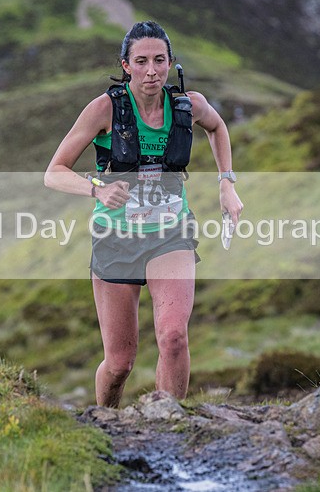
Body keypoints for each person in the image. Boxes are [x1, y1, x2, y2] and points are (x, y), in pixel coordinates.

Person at [44, 21, 243, 407]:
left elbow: (217, 128)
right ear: (126, 65)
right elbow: (54, 172)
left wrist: (227, 182)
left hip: (171, 234)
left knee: (173, 337)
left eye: (159, 60)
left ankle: (169, 427)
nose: (151, 70)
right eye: (141, 61)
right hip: (115, 240)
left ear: (170, 63)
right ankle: (105, 425)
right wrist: (96, 189)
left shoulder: (189, 105)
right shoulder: (104, 109)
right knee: (120, 363)